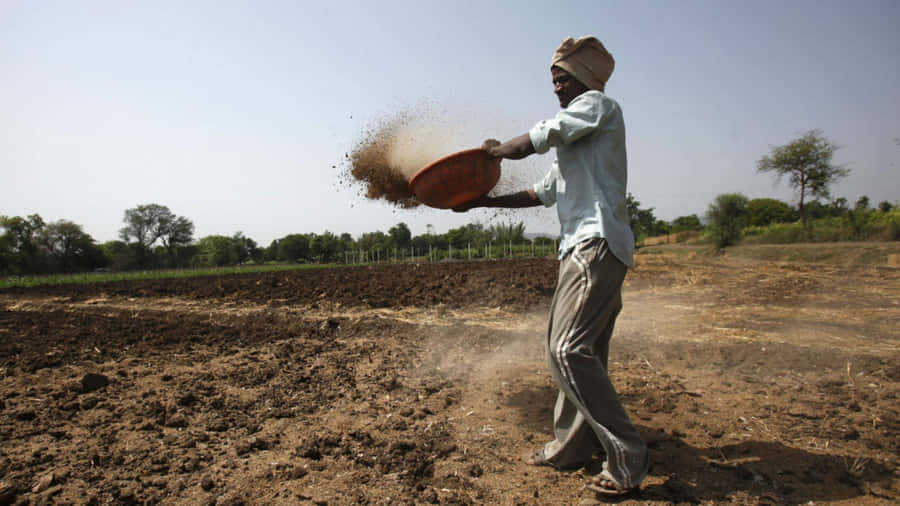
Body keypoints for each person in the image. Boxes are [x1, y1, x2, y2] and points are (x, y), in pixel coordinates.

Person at [454, 36, 650, 496]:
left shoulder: (598, 107)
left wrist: (495, 152)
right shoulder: (578, 139)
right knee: (582, 353)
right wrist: (481, 200)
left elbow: (538, 139)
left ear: (583, 78)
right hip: (580, 248)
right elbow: (540, 192)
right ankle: (572, 447)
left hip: (595, 242)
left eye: (562, 78)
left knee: (566, 351)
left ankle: (628, 454)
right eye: (553, 80)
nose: (557, 87)